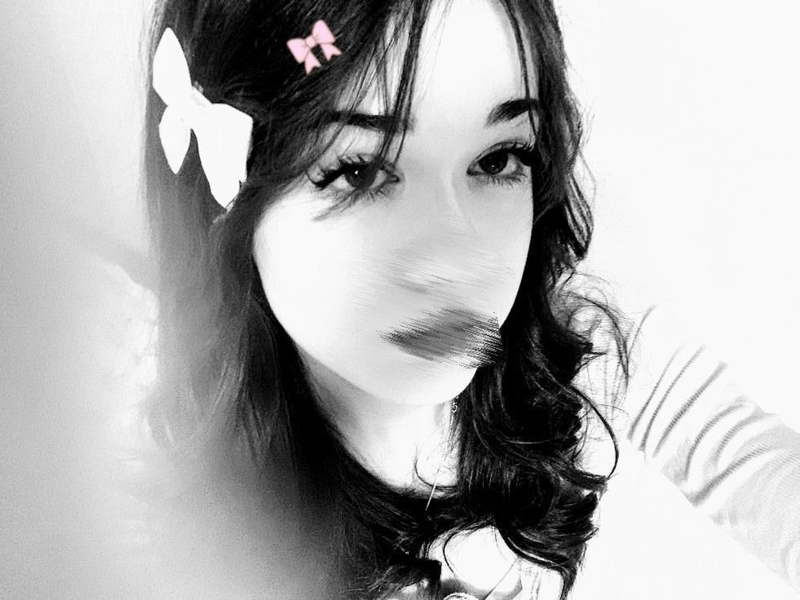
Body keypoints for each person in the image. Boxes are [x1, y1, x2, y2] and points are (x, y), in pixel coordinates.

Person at [124, 0, 800, 598]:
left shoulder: (574, 352)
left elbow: (756, 466)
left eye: (498, 159)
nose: (457, 254)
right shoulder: (134, 451)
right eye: (360, 170)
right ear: (225, 198)